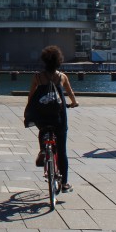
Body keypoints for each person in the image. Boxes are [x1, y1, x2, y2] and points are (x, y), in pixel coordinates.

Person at [25, 45, 78, 193]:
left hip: (42, 116)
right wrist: (74, 103)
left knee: (43, 129)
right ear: (58, 61)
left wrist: (30, 108)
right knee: (62, 150)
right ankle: (65, 183)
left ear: (44, 61)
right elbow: (71, 93)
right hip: (58, 117)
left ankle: (43, 149)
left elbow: (31, 96)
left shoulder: (37, 77)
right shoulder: (62, 77)